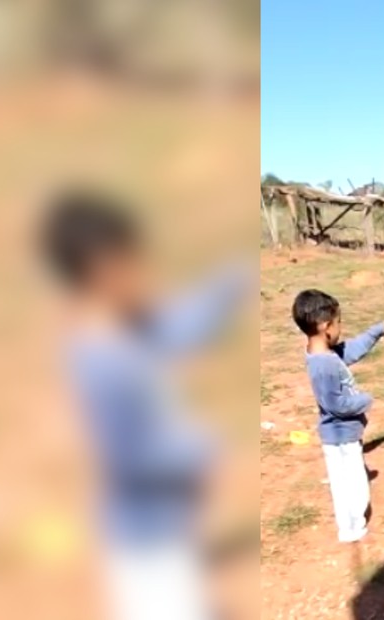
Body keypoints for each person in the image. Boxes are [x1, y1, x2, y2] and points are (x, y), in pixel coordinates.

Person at [38, 189, 253, 620]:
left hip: (170, 528)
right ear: (101, 268)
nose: (144, 272)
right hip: (146, 543)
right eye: (132, 260)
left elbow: (183, 326)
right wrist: (204, 449)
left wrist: (235, 279)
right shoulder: (97, 358)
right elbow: (130, 456)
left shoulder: (128, 324)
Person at [291, 289, 384, 543]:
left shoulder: (323, 351)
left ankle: (350, 524)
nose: (341, 327)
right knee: (351, 485)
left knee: (347, 481)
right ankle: (351, 528)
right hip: (340, 436)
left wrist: (374, 333)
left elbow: (351, 350)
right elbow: (336, 404)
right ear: (325, 326)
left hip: (343, 434)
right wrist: (364, 401)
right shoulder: (323, 365)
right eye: (338, 322)